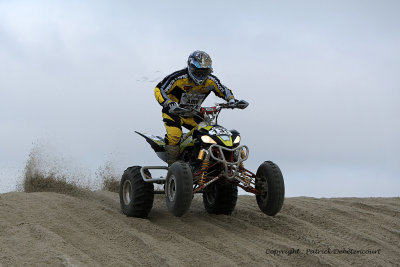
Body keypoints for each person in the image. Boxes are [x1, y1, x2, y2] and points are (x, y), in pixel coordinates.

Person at [154, 51, 237, 165]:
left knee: (210, 134)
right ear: (191, 67)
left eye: (205, 71)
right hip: (174, 113)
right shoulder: (178, 78)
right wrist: (168, 102)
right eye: (198, 71)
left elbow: (224, 90)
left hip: (194, 114)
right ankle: (173, 167)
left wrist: (231, 100)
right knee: (174, 135)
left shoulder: (211, 81)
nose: (201, 75)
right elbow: (159, 89)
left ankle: (209, 163)